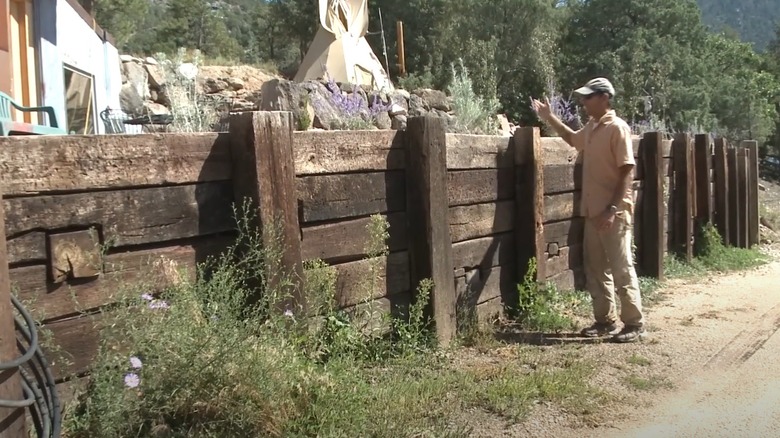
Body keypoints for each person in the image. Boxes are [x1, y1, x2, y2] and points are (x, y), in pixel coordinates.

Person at [531, 77, 646, 343]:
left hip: (613, 212)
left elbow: (627, 171)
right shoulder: (593, 128)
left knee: (621, 268)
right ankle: (604, 320)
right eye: (583, 97)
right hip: (594, 211)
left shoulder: (617, 128)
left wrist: (613, 209)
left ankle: (634, 324)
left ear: (604, 97)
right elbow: (572, 139)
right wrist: (549, 117)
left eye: (588, 97)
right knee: (596, 268)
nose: (583, 103)